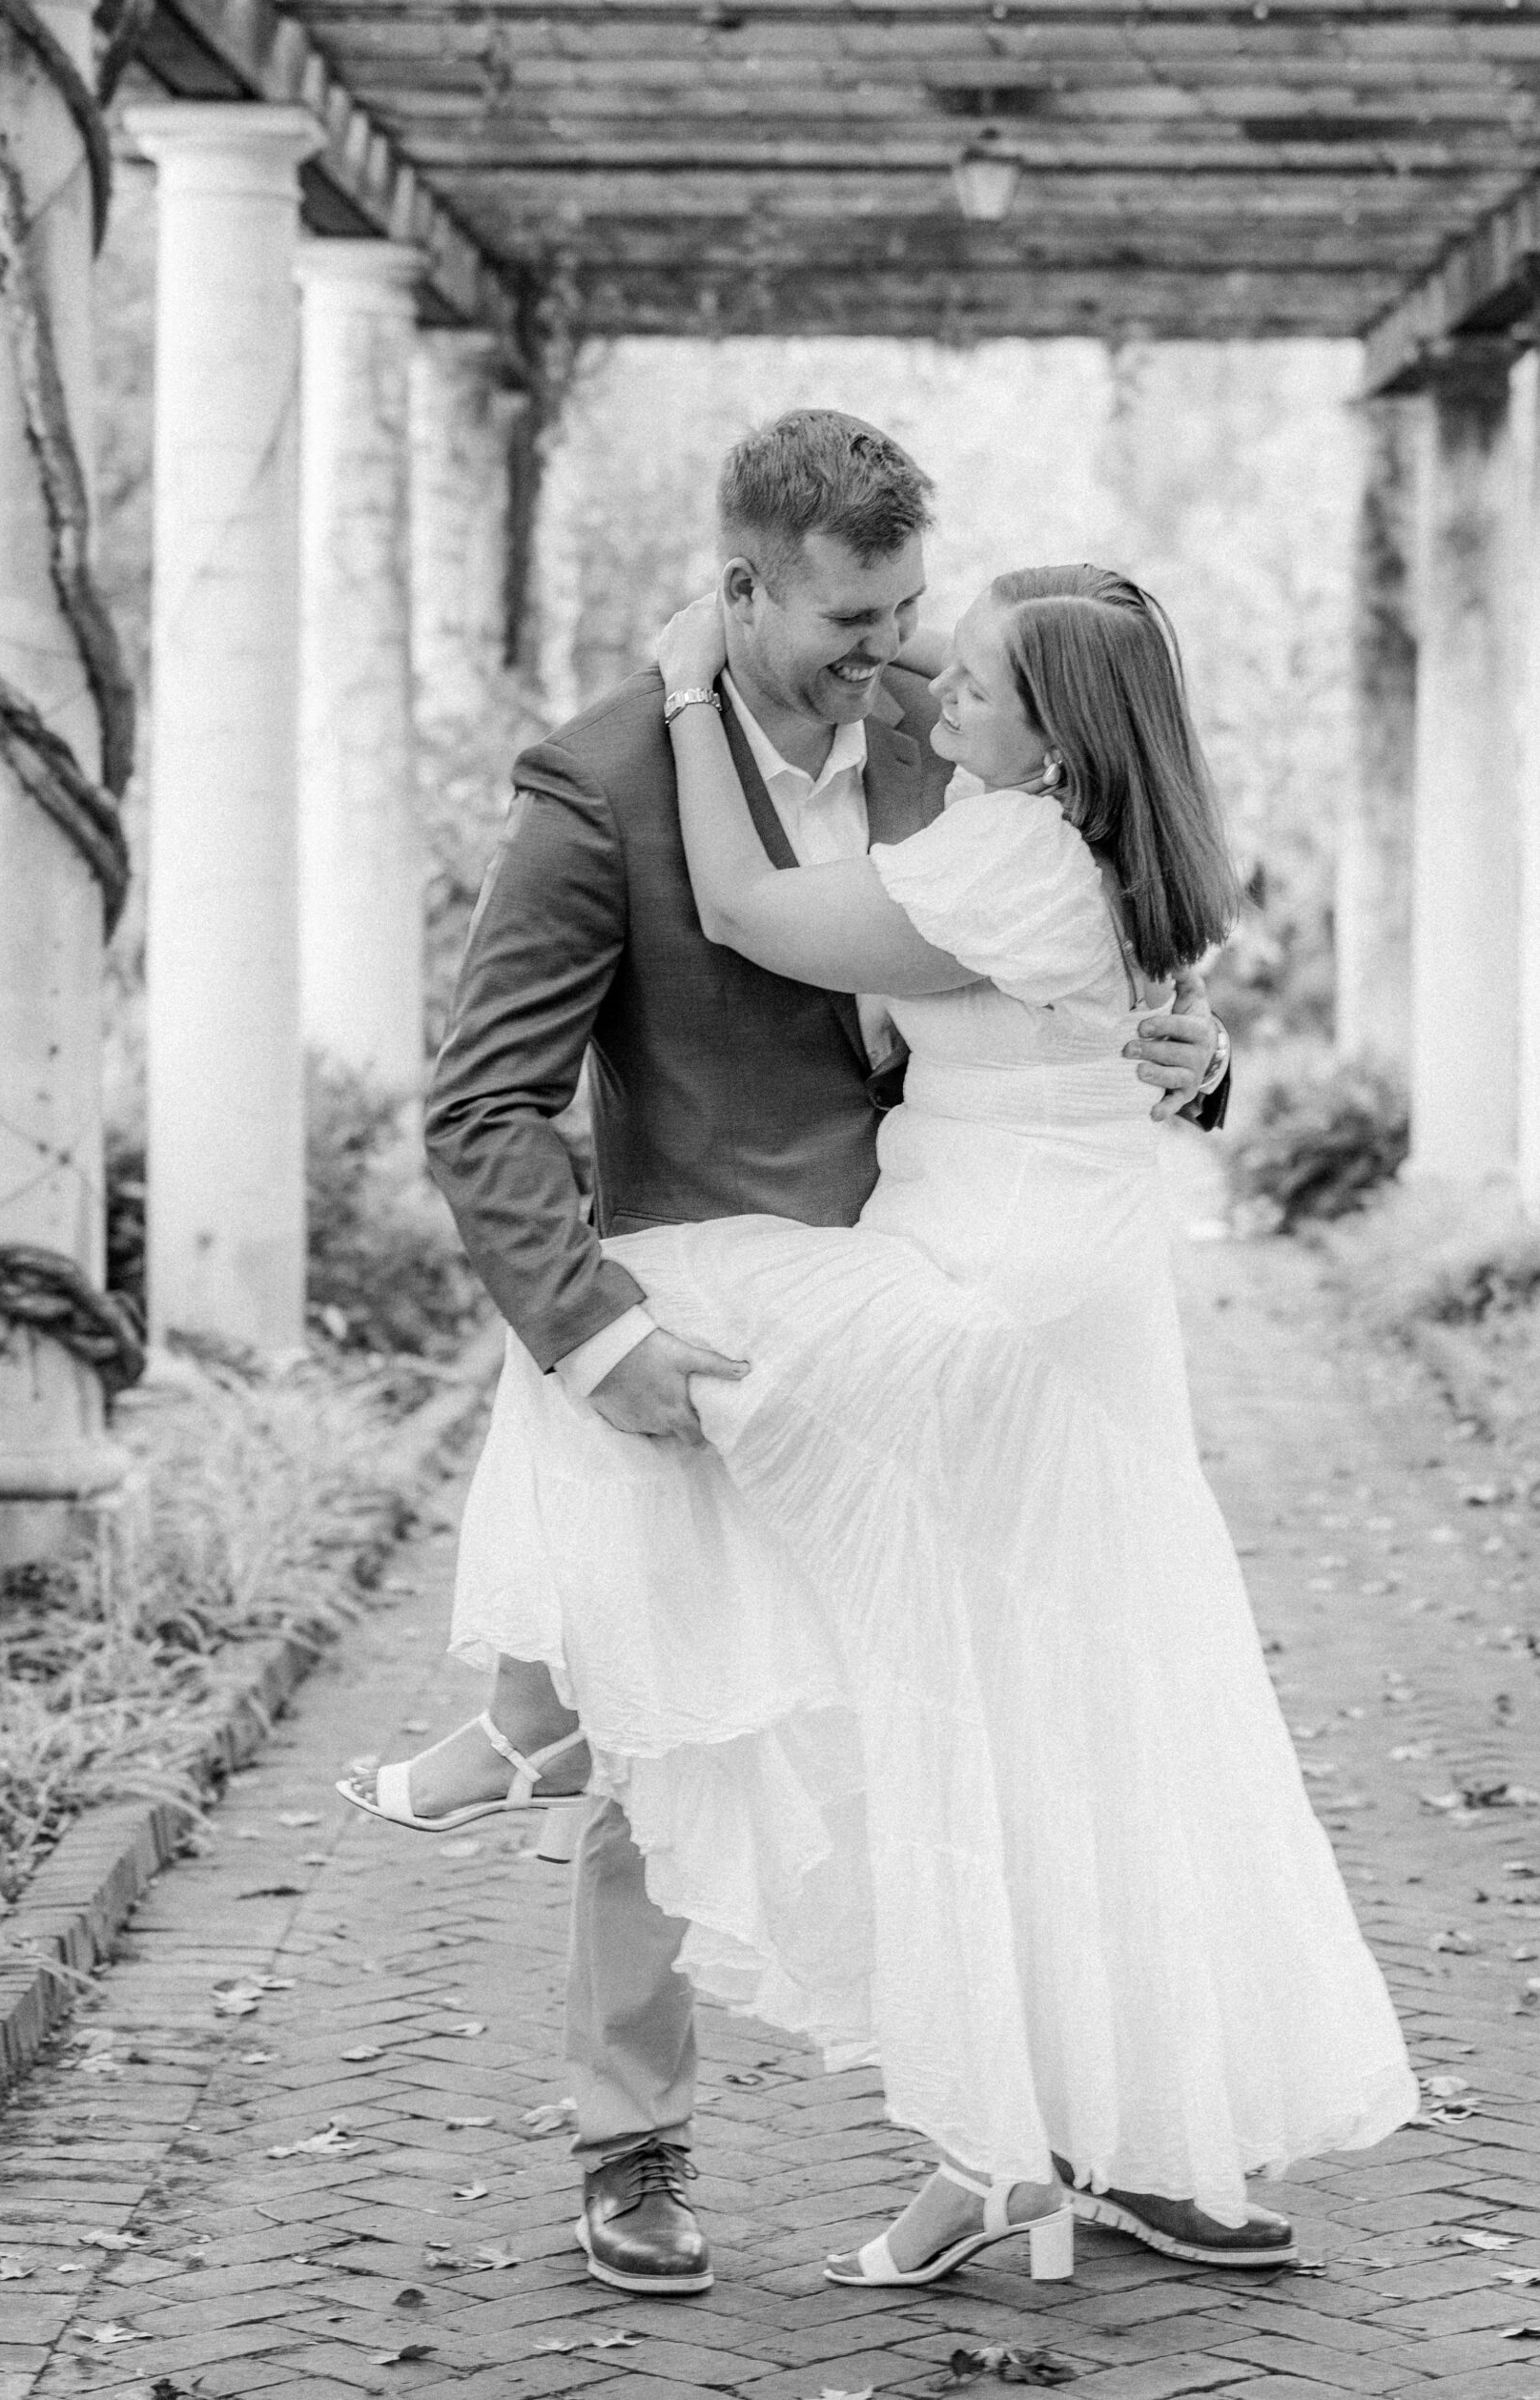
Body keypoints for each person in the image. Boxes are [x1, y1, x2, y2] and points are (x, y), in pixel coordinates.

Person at [341, 413, 1242, 2294]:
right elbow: (484, 1105)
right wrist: (593, 1336)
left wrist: (1189, 1058)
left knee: (1010, 1721)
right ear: (741, 589)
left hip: (955, 1308)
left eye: (908, 611)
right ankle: (632, 2138)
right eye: (851, 619)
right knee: (672, 1726)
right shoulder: (601, 784)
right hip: (732, 1324)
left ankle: (1065, 2131)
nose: (889, 653)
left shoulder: (959, 730)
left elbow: (1090, 938)